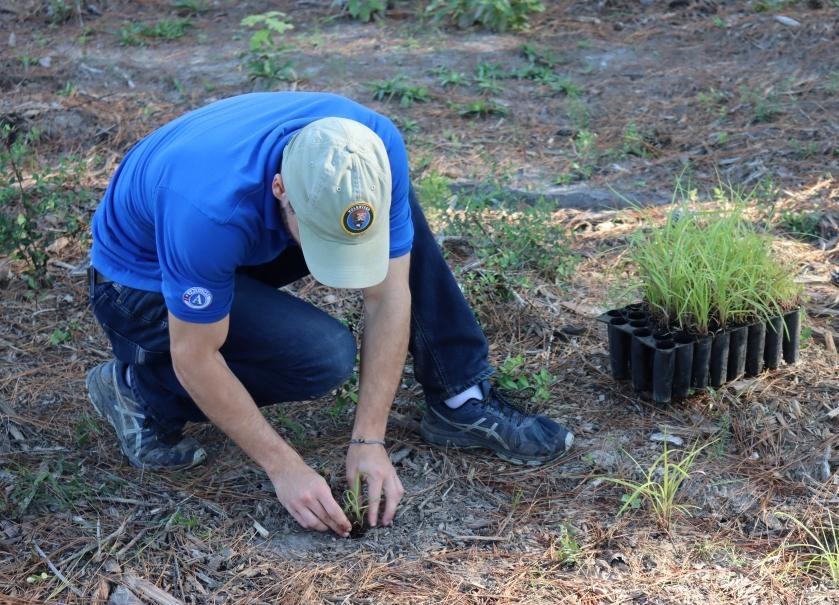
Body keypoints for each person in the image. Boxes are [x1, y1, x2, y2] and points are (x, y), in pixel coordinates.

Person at [85, 92, 574, 537]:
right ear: (280, 188)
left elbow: (389, 294)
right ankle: (138, 392)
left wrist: (370, 440)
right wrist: (284, 467)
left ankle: (458, 395)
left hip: (249, 232)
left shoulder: (370, 147)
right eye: (321, 236)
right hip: (138, 279)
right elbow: (195, 354)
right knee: (322, 356)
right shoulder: (209, 211)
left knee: (398, 222)